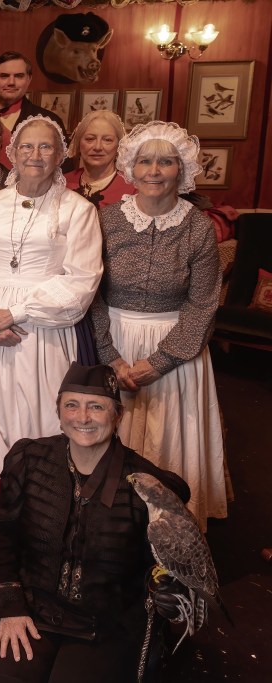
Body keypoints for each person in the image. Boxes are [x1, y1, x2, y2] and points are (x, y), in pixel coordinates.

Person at [0, 362, 191, 683]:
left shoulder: (146, 485)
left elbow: (168, 564)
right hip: (35, 612)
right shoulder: (28, 461)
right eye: (72, 405)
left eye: (96, 407)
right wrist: (11, 607)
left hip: (107, 626)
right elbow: (1, 535)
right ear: (59, 411)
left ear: (118, 415)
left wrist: (168, 588)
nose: (82, 417)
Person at [89, 120, 227, 528]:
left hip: (176, 346)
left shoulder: (198, 227)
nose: (154, 170)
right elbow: (91, 293)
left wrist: (162, 360)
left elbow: (203, 303)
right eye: (145, 161)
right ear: (131, 167)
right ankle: (111, 526)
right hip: (115, 337)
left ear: (181, 170)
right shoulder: (107, 220)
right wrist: (110, 356)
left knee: (169, 441)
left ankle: (170, 527)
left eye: (166, 162)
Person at [0, 116, 103, 472]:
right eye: (26, 146)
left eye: (46, 146)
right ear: (11, 153)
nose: (35, 154)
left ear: (61, 154)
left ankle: (45, 506)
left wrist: (14, 314)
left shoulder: (79, 210)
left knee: (43, 417)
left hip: (42, 330)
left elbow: (80, 283)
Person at [65, 110, 135, 208]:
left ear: (119, 146)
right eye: (90, 139)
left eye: (107, 140)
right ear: (79, 143)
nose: (98, 147)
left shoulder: (132, 188)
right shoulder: (62, 182)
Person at [0, 52, 64, 134]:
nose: (11, 82)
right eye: (4, 76)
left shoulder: (50, 121)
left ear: (29, 79)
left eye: (18, 76)